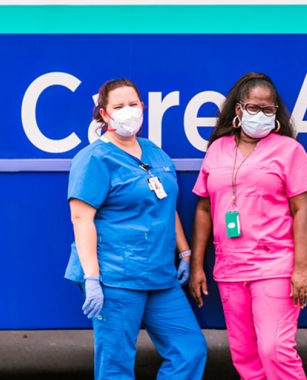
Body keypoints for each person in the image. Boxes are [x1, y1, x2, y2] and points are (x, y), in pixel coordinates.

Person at [65, 78, 207, 380]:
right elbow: (81, 220)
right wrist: (92, 278)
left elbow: (167, 204)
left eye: (133, 104)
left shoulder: (154, 152)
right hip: (115, 277)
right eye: (118, 106)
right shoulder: (93, 159)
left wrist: (184, 251)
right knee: (116, 366)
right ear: (104, 114)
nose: (127, 111)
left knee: (190, 349)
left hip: (159, 276)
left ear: (143, 108)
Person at [188, 72, 307, 380]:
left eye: (267, 109)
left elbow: (303, 210)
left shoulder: (289, 150)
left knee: (274, 350)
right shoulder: (218, 149)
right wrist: (197, 265)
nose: (260, 114)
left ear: (276, 113)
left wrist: (300, 269)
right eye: (253, 107)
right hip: (230, 268)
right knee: (245, 357)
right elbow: (204, 208)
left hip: (274, 265)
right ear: (238, 109)